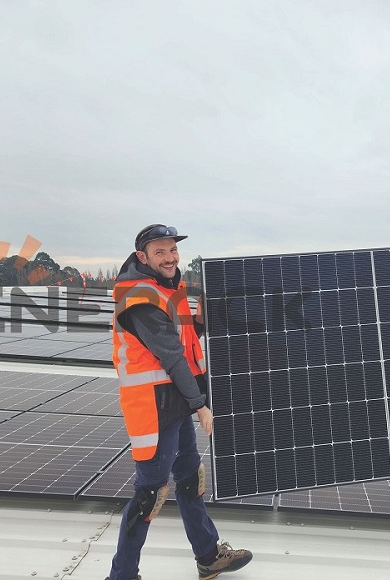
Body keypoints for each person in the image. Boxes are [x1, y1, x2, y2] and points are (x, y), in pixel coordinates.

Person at [108, 224, 252, 580]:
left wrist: (203, 315)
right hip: (154, 407)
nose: (170, 257)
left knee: (190, 478)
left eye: (172, 250)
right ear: (142, 257)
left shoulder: (167, 288)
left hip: (176, 401)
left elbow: (187, 338)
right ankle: (121, 575)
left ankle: (208, 555)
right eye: (160, 252)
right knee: (150, 494)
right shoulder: (138, 298)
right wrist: (201, 403)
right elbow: (171, 356)